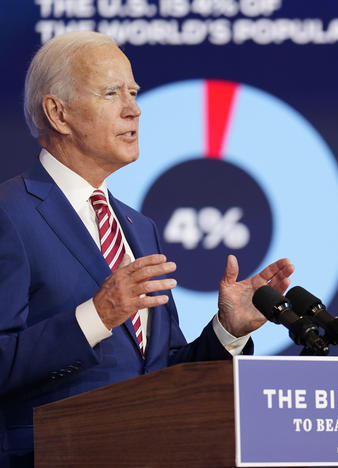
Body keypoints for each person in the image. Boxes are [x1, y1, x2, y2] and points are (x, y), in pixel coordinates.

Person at [0, 31, 294, 467]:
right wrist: (95, 316)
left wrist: (228, 331)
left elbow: (163, 371)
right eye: (111, 92)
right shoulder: (10, 213)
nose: (133, 108)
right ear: (57, 113)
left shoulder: (139, 227)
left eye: (134, 92)